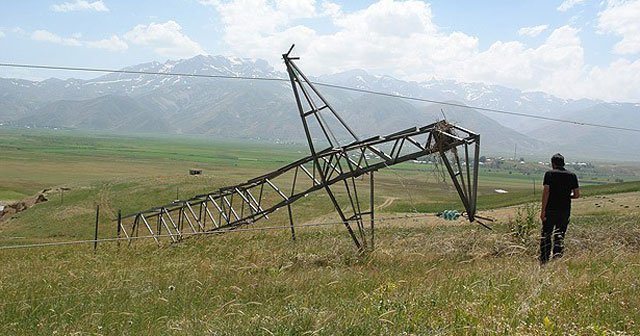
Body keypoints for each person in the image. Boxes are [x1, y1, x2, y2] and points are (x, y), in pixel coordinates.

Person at [539, 153, 579, 264]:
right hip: (564, 210)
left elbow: (546, 192)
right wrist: (566, 196)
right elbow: (576, 195)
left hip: (550, 209)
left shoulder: (549, 174)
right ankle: (557, 258)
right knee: (560, 235)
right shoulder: (572, 175)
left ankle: (544, 259)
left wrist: (543, 211)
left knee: (546, 234)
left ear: (553, 164)